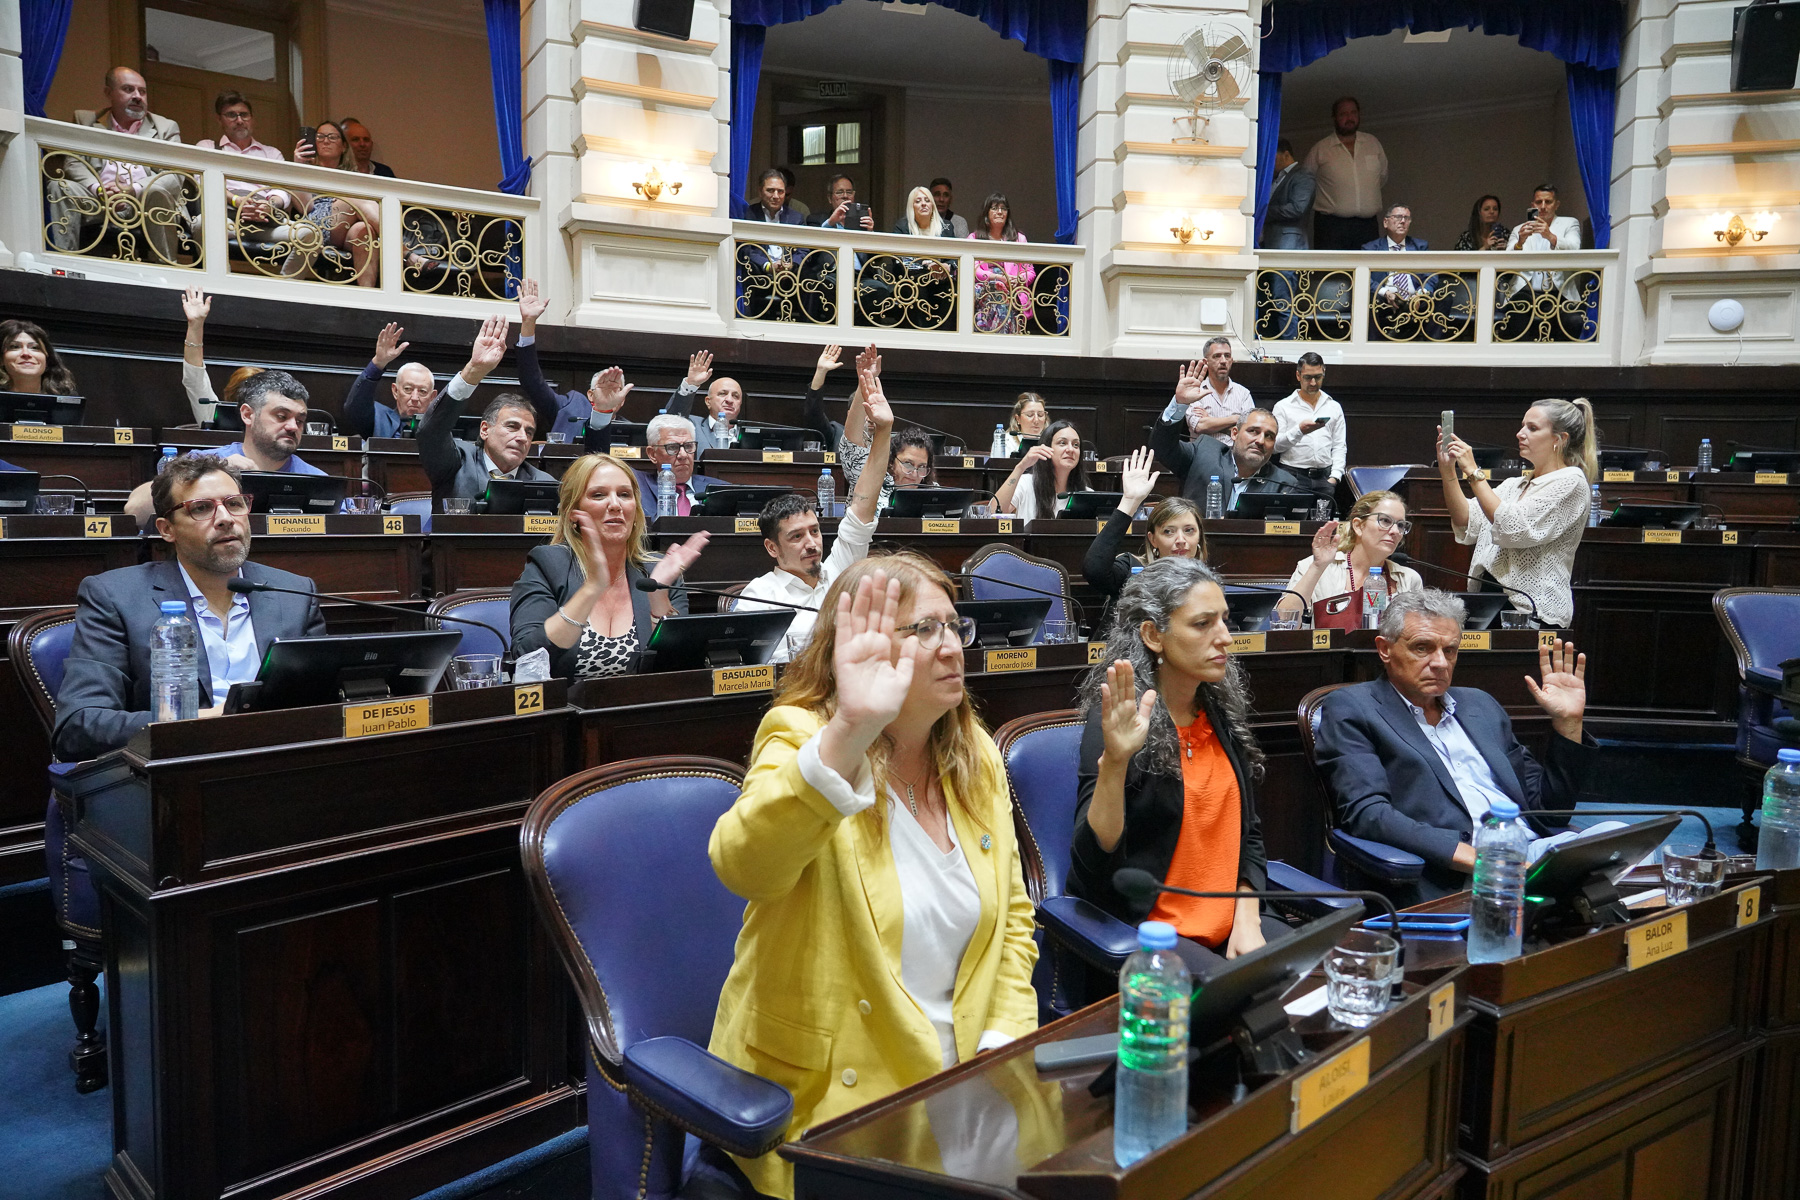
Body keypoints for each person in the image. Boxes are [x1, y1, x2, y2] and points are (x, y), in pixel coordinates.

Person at [706, 555, 1039, 1198]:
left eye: (954, 626)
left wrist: (1002, 1035)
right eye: (924, 630)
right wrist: (850, 731)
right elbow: (743, 865)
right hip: (837, 1103)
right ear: (860, 646)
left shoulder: (976, 754)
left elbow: (1014, 923)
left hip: (967, 1073)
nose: (950, 647)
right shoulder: (805, 738)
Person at [1071, 558, 1286, 971]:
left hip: (1236, 926)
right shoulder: (1118, 723)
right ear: (1153, 635)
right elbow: (1092, 867)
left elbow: (1249, 835)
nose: (1225, 637)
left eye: (1224, 620)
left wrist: (1246, 914)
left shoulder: (1218, 713)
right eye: (1203, 624)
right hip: (1157, 941)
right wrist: (1115, 763)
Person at [1313, 590, 1595, 899]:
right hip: (1453, 872)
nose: (1440, 663)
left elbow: (1548, 813)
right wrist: (1483, 861)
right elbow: (1368, 815)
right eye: (1423, 648)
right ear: (1384, 649)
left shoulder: (1479, 705)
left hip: (1529, 852)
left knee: (1617, 839)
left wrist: (1569, 723)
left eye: (1450, 650)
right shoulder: (1353, 707)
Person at [52, 454, 328, 760]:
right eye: (202, 508)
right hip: (179, 770)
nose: (225, 518)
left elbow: (323, 703)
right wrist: (200, 723)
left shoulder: (295, 594)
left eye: (234, 503)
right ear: (166, 529)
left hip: (282, 762)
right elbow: (79, 726)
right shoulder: (115, 597)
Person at [737, 361, 894, 660]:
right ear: (772, 547)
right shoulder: (759, 597)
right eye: (796, 537)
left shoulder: (839, 571)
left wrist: (884, 430)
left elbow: (863, 504)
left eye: (814, 531)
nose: (811, 543)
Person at [508, 454, 708, 679]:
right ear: (574, 513)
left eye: (624, 495)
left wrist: (658, 596)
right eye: (598, 495)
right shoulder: (548, 565)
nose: (615, 505)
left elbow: (680, 669)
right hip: (568, 709)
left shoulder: (658, 572)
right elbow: (527, 656)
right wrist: (592, 588)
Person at [1437, 397, 1597, 628]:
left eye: (1532, 428)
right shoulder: (1514, 484)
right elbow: (1466, 520)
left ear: (1559, 439)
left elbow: (1513, 527)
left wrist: (1473, 470)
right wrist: (1448, 471)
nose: (1520, 434)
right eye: (1522, 426)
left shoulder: (1571, 482)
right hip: (1488, 603)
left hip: (1535, 611)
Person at [124, 368, 325, 523]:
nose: (292, 426)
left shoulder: (319, 480)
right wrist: (208, 471)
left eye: (300, 420)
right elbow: (135, 511)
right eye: (281, 416)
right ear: (248, 415)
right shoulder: (202, 462)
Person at [48, 68, 190, 263]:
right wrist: (99, 189)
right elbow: (74, 163)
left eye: (142, 91)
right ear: (109, 93)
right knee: (59, 187)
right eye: (128, 89)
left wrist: (131, 189)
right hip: (99, 200)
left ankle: (166, 270)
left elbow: (175, 175)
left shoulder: (165, 127)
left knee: (156, 191)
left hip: (144, 202)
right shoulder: (86, 120)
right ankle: (64, 266)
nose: (137, 96)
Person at [418, 315, 559, 506]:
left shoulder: (545, 483)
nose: (522, 438)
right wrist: (473, 372)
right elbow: (430, 432)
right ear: (485, 429)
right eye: (512, 426)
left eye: (529, 432)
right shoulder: (457, 463)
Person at [1153, 367, 1302, 509]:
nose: (1260, 441)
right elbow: (1163, 448)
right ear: (1234, 433)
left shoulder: (1284, 484)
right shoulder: (1203, 455)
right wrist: (1180, 405)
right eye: (1253, 431)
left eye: (1269, 436)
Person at [1083, 447, 1207, 610]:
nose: (1181, 540)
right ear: (1153, 539)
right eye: (1169, 531)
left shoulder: (1207, 582)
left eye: (1189, 530)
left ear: (1199, 536)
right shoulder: (1133, 570)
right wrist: (1130, 501)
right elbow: (1094, 570)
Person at [1275, 491, 1421, 629]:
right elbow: (1284, 621)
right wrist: (1318, 567)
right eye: (1385, 520)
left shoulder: (1409, 579)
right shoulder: (1317, 567)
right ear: (1358, 526)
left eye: (1401, 525)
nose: (1395, 531)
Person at [513, 277, 629, 441]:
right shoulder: (570, 407)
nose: (609, 395)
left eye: (615, 390)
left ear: (622, 400)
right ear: (590, 394)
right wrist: (528, 324)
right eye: (603, 390)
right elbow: (531, 381)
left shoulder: (632, 432)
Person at [285, 120, 380, 287]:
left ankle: (367, 300)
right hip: (316, 226)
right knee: (352, 198)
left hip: (345, 229)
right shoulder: (303, 171)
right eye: (320, 137)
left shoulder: (353, 175)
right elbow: (305, 207)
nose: (326, 141)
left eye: (332, 137)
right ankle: (406, 252)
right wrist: (298, 168)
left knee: (364, 231)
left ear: (343, 146)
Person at [195, 91, 296, 230]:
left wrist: (268, 205)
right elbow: (202, 183)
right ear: (219, 119)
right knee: (204, 225)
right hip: (224, 215)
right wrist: (236, 200)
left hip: (265, 220)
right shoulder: (207, 147)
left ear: (252, 119)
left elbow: (282, 191)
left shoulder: (272, 153)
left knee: (306, 234)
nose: (239, 121)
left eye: (244, 115)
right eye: (231, 115)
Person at [1301, 96, 1388, 251]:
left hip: (1368, 226)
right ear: (1334, 118)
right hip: (1331, 227)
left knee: (1368, 271)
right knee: (1333, 273)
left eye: (1353, 113)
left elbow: (1381, 177)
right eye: (1343, 114)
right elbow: (1305, 183)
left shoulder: (1372, 144)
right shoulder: (1321, 149)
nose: (1349, 118)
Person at [1270, 351, 1345, 512]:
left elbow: (1339, 445)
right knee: (1293, 527)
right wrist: (1299, 431)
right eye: (1307, 377)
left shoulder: (1333, 406)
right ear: (1298, 375)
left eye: (1318, 377)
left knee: (1324, 528)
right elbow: (1275, 446)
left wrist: (1335, 477)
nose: (1312, 382)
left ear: (1324, 373)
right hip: (1293, 476)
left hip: (1325, 478)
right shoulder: (1283, 406)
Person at [341, 322, 437, 438]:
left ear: (432, 397)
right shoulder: (380, 418)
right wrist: (378, 363)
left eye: (422, 391)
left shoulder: (440, 428)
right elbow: (355, 408)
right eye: (408, 389)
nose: (415, 398)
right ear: (395, 391)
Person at [995, 420, 1091, 522]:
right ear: (1046, 448)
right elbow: (994, 513)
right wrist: (1020, 467)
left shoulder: (1086, 494)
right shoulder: (1025, 484)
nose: (1071, 449)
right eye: (1062, 443)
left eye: (1076, 445)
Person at [634, 414, 729, 514]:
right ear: (652, 454)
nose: (683, 455)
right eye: (672, 447)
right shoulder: (638, 489)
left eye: (688, 446)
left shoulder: (720, 490)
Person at [968, 193, 1035, 334]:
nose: (999, 212)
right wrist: (998, 278)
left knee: (1004, 296)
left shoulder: (1019, 238)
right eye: (994, 208)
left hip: (1012, 289)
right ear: (986, 213)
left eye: (1003, 208)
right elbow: (972, 270)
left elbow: (1030, 272)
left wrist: (1017, 280)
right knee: (996, 293)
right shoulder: (974, 238)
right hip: (985, 288)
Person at [1505, 183, 1583, 299]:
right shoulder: (1519, 229)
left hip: (1560, 292)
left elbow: (1575, 248)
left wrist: (1551, 236)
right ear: (1532, 205)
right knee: (1514, 315)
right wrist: (1519, 243)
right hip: (1524, 293)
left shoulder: (1569, 223)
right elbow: (1505, 262)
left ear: (1556, 205)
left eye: (1548, 202)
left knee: (1575, 318)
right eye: (1538, 202)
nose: (1542, 206)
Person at [658, 350, 746, 452]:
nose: (729, 400)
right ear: (708, 402)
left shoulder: (750, 435)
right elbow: (671, 420)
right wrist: (691, 384)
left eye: (735, 396)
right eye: (722, 394)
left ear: (740, 403)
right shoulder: (692, 426)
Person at [1179, 338, 1255, 447]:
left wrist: (1211, 421)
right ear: (1206, 362)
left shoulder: (1243, 393)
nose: (1223, 361)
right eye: (1217, 356)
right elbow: (1200, 426)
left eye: (1227, 356)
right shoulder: (1195, 391)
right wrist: (1236, 418)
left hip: (1234, 458)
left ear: (1231, 360)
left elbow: (1250, 430)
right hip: (1203, 456)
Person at [1261, 139, 1316, 250]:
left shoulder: (1303, 176)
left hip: (1289, 241)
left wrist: (1264, 211)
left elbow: (1297, 209)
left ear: (1286, 155)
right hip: (1272, 240)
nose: (1270, 162)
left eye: (1274, 158)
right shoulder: (1276, 178)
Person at [0, 319, 79, 395]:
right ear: (1, 359)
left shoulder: (67, 399)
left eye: (34, 347)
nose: (26, 353)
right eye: (15, 347)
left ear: (47, 359)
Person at [808, 174, 875, 230]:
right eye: (839, 192)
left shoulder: (862, 223)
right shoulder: (815, 220)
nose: (845, 196)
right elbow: (812, 243)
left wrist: (869, 233)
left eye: (849, 192)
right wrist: (830, 223)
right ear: (830, 198)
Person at [1003, 392, 1049, 456]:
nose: (1036, 420)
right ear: (1018, 418)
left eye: (1040, 415)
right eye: (1030, 415)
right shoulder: (1006, 441)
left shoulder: (1050, 440)